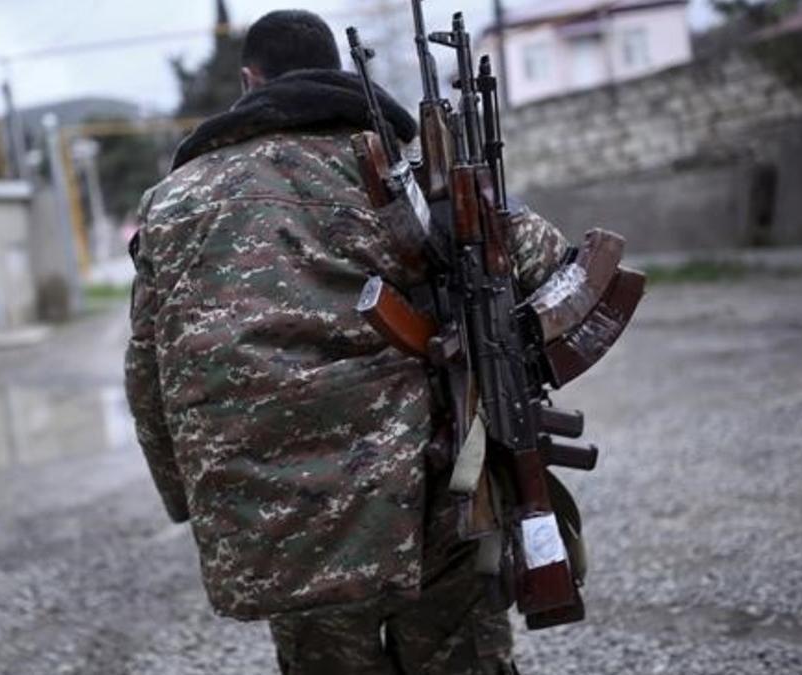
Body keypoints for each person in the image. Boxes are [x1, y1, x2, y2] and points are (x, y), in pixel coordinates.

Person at [125, 9, 571, 674]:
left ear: (250, 81)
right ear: (334, 74)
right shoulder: (402, 172)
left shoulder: (170, 205)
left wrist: (191, 499)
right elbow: (554, 267)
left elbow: (147, 378)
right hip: (429, 500)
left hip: (275, 524)